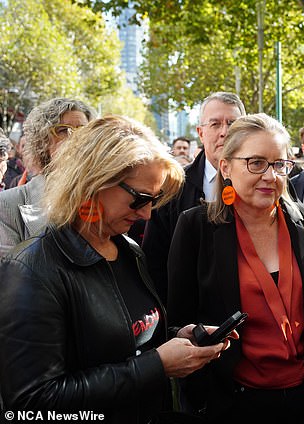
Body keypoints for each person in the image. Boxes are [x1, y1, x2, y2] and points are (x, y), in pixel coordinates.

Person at [0, 116, 230, 423]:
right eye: (139, 199)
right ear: (93, 183)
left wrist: (177, 338)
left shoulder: (128, 250)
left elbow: (126, 337)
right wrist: (158, 365)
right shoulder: (31, 270)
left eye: (155, 199)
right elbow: (33, 404)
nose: (148, 214)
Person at [167, 113, 304, 423]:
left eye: (280, 164)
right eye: (256, 163)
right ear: (226, 167)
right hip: (230, 402)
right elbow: (176, 323)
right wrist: (197, 335)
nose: (270, 176)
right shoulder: (195, 227)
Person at [143, 91, 246, 304]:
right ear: (200, 132)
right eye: (215, 124)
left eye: (232, 124)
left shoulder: (266, 183)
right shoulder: (172, 188)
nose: (224, 132)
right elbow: (155, 261)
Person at [0, 98, 96, 257]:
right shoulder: (6, 204)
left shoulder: (103, 196)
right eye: (63, 130)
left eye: (83, 130)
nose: (75, 138)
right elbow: (9, 275)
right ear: (42, 141)